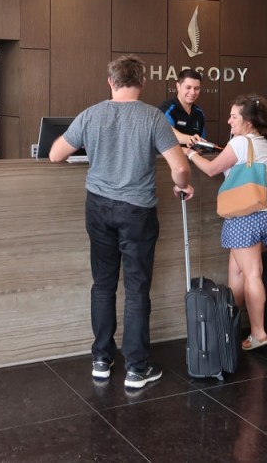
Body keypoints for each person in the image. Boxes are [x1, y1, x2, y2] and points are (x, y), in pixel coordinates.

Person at [49, 55, 194, 390]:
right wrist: (183, 184)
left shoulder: (91, 114)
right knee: (137, 288)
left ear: (110, 82)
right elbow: (179, 167)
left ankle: (101, 359)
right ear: (142, 83)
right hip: (137, 212)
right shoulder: (153, 118)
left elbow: (56, 154)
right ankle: (136, 368)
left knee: (103, 284)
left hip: (98, 208)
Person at [186, 94, 267, 351]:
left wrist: (191, 155)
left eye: (234, 116)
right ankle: (227, 325)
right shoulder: (262, 141)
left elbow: (211, 170)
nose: (229, 121)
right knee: (237, 271)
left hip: (245, 215)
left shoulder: (240, 142)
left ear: (248, 120)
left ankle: (259, 333)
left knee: (251, 273)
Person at [158, 69, 207, 147]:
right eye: (188, 87)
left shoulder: (199, 113)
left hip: (192, 157)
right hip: (167, 158)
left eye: (196, 88)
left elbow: (201, 143)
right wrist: (190, 139)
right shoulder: (167, 108)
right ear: (178, 86)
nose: (193, 92)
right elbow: (166, 132)